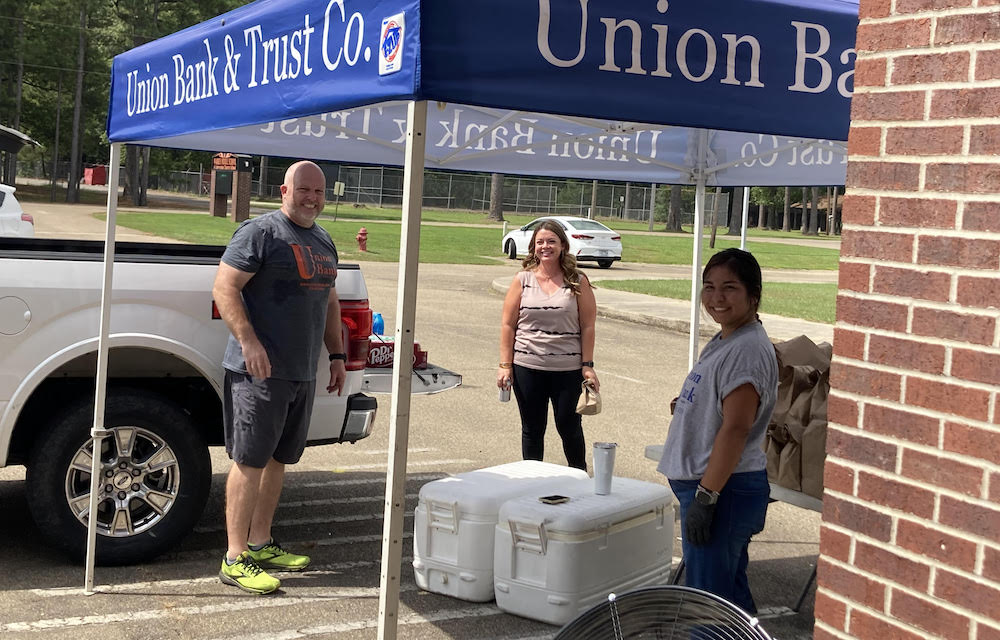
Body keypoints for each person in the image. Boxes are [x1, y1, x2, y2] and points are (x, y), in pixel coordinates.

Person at [212, 160, 347, 594]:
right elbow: (225, 287)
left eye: (319, 192)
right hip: (260, 373)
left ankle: (262, 542)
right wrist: (250, 343)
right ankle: (235, 558)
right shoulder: (260, 232)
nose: (312, 198)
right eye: (304, 190)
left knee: (278, 461)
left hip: (301, 372)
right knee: (250, 461)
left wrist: (338, 355)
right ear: (283, 190)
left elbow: (329, 301)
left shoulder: (323, 240)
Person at [657, 248, 778, 614]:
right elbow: (724, 404)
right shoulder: (728, 337)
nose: (716, 298)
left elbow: (737, 428)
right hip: (715, 487)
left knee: (708, 607)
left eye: (729, 288)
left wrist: (706, 499)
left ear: (753, 295)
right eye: (709, 287)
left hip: (722, 492)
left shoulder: (746, 349)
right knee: (731, 601)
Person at [497, 220, 599, 471]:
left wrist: (587, 366)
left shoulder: (577, 280)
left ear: (563, 245)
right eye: (540, 242)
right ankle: (533, 482)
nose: (545, 246)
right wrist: (504, 366)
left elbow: (588, 326)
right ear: (533, 248)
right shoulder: (522, 280)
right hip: (527, 367)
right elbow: (508, 325)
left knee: (569, 427)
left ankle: (579, 476)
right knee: (532, 429)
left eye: (551, 241)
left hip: (567, 369)